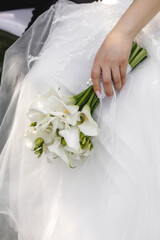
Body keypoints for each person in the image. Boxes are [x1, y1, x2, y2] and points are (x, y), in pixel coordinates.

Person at [0, 0, 160, 239]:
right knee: (43, 85)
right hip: (99, 13)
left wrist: (122, 35)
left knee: (126, 119)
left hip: (140, 20)